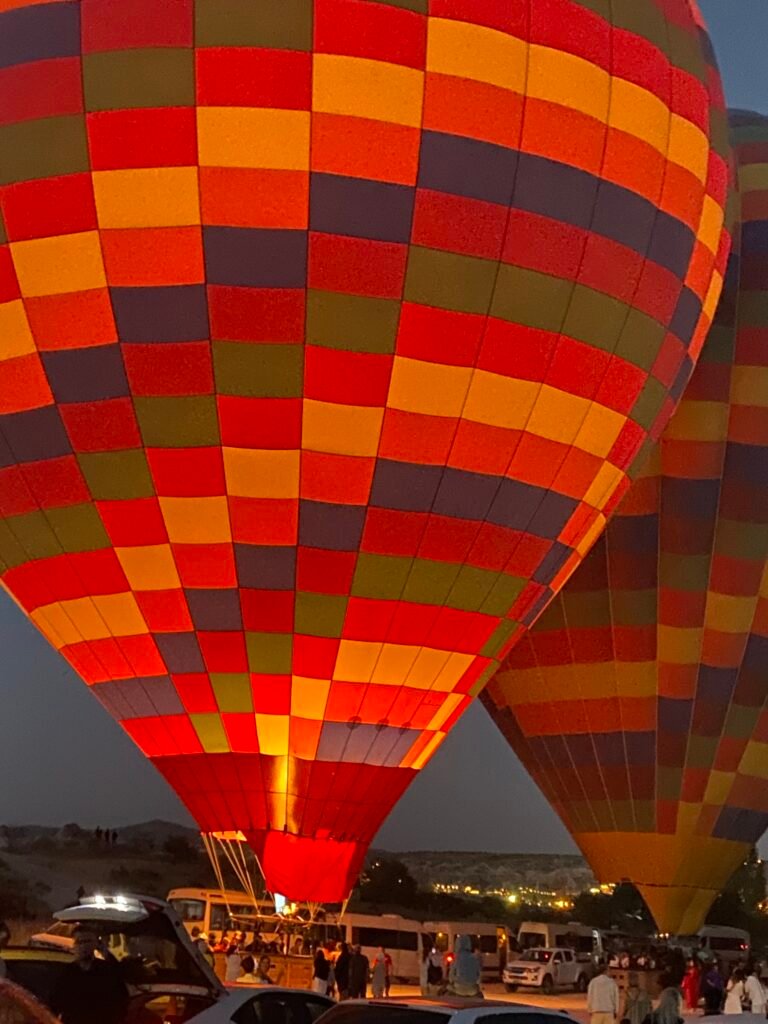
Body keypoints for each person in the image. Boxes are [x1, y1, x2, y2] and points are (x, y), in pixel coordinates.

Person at [50, 925, 128, 1024]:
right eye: (79, 942)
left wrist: (107, 954)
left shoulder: (106, 971)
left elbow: (121, 999)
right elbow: (55, 1004)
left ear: (95, 944)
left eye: (87, 941)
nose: (83, 946)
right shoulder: (67, 973)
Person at [448, 934, 482, 999]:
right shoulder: (475, 958)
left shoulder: (456, 958)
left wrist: (452, 981)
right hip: (472, 989)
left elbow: (451, 975)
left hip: (459, 988)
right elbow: (479, 974)